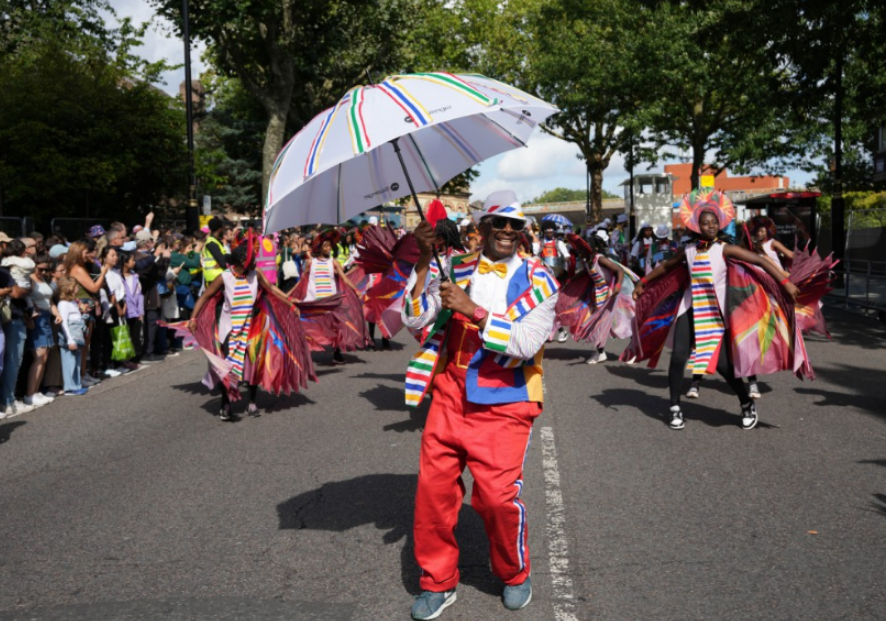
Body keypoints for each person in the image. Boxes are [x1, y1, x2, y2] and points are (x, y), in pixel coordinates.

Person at [401, 190, 559, 619]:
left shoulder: (541, 278)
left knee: (494, 500)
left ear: (523, 231)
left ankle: (514, 572)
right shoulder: (454, 266)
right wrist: (421, 260)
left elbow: (527, 344)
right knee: (433, 495)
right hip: (450, 393)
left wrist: (474, 311)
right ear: (482, 227)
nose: (507, 231)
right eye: (498, 223)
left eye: (515, 225)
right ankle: (437, 582)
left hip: (505, 396)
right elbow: (414, 318)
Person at [627, 190, 807, 431]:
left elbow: (760, 261)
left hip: (714, 315)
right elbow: (668, 265)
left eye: (714, 222)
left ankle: (745, 402)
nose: (710, 226)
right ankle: (674, 408)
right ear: (697, 226)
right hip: (689, 310)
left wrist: (785, 283)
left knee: (724, 366)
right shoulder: (689, 250)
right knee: (679, 356)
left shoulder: (724, 249)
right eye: (705, 222)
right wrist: (643, 282)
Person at [188, 238, 313, 421]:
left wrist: (290, 305)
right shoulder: (225, 277)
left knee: (254, 365)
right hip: (229, 328)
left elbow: (271, 288)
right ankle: (226, 403)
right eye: (253, 260)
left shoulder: (256, 274)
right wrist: (193, 317)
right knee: (227, 368)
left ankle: (252, 402)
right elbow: (205, 296)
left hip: (253, 327)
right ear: (241, 262)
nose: (256, 262)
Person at [55, 276, 89, 396]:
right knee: (69, 361)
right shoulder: (63, 304)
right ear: (69, 288)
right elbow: (63, 322)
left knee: (76, 361)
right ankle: (69, 387)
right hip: (70, 336)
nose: (78, 288)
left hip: (77, 334)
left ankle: (76, 385)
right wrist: (69, 340)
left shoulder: (72, 302)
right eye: (76, 286)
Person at [201, 217, 227, 288]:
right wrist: (224, 261)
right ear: (219, 229)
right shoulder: (212, 243)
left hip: (217, 277)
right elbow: (223, 262)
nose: (224, 230)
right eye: (223, 228)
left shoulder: (216, 242)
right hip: (214, 279)